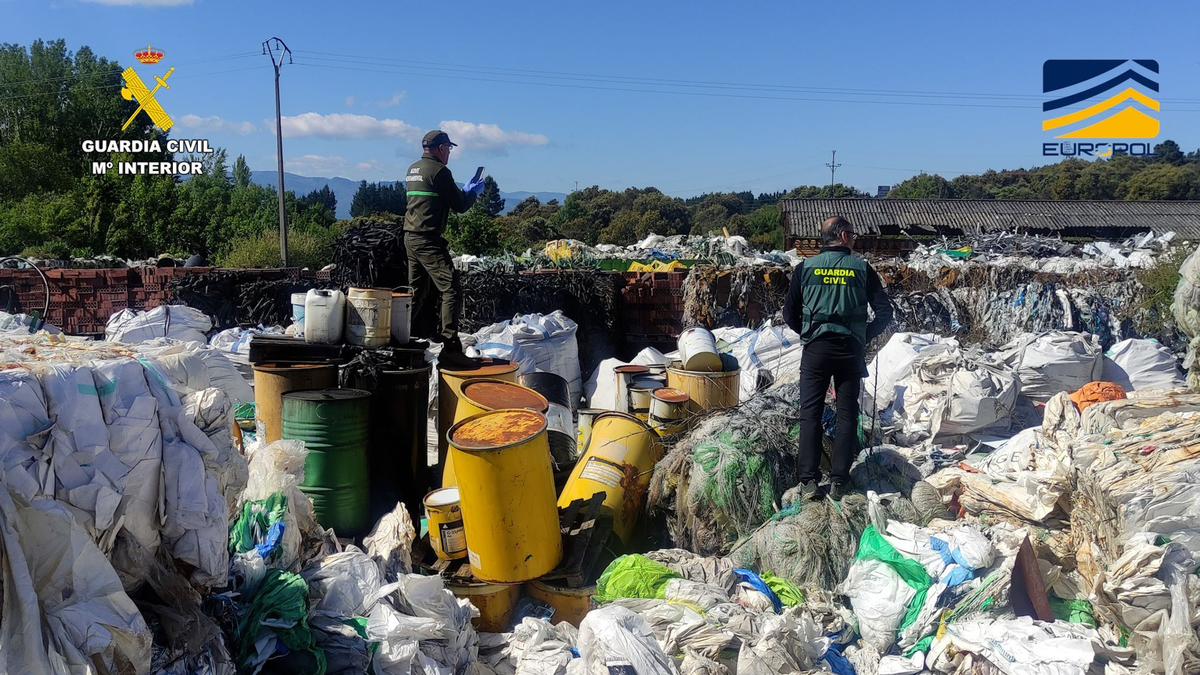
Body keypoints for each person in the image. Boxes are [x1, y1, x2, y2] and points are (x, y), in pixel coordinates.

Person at [782, 215, 894, 501]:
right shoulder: (862, 269)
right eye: (853, 234)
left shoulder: (805, 269)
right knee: (847, 415)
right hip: (849, 351)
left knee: (810, 414)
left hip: (816, 352)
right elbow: (885, 313)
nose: (854, 239)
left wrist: (809, 333)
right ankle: (839, 481)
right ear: (843, 236)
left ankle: (808, 482)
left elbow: (789, 314)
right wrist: (862, 336)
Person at [403, 129, 484, 365]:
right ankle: (451, 349)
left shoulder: (413, 169)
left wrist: (462, 192)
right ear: (441, 148)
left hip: (410, 236)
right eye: (448, 148)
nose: (449, 153)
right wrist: (472, 193)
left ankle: (402, 340)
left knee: (416, 291)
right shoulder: (439, 171)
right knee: (451, 289)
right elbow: (459, 205)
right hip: (427, 239)